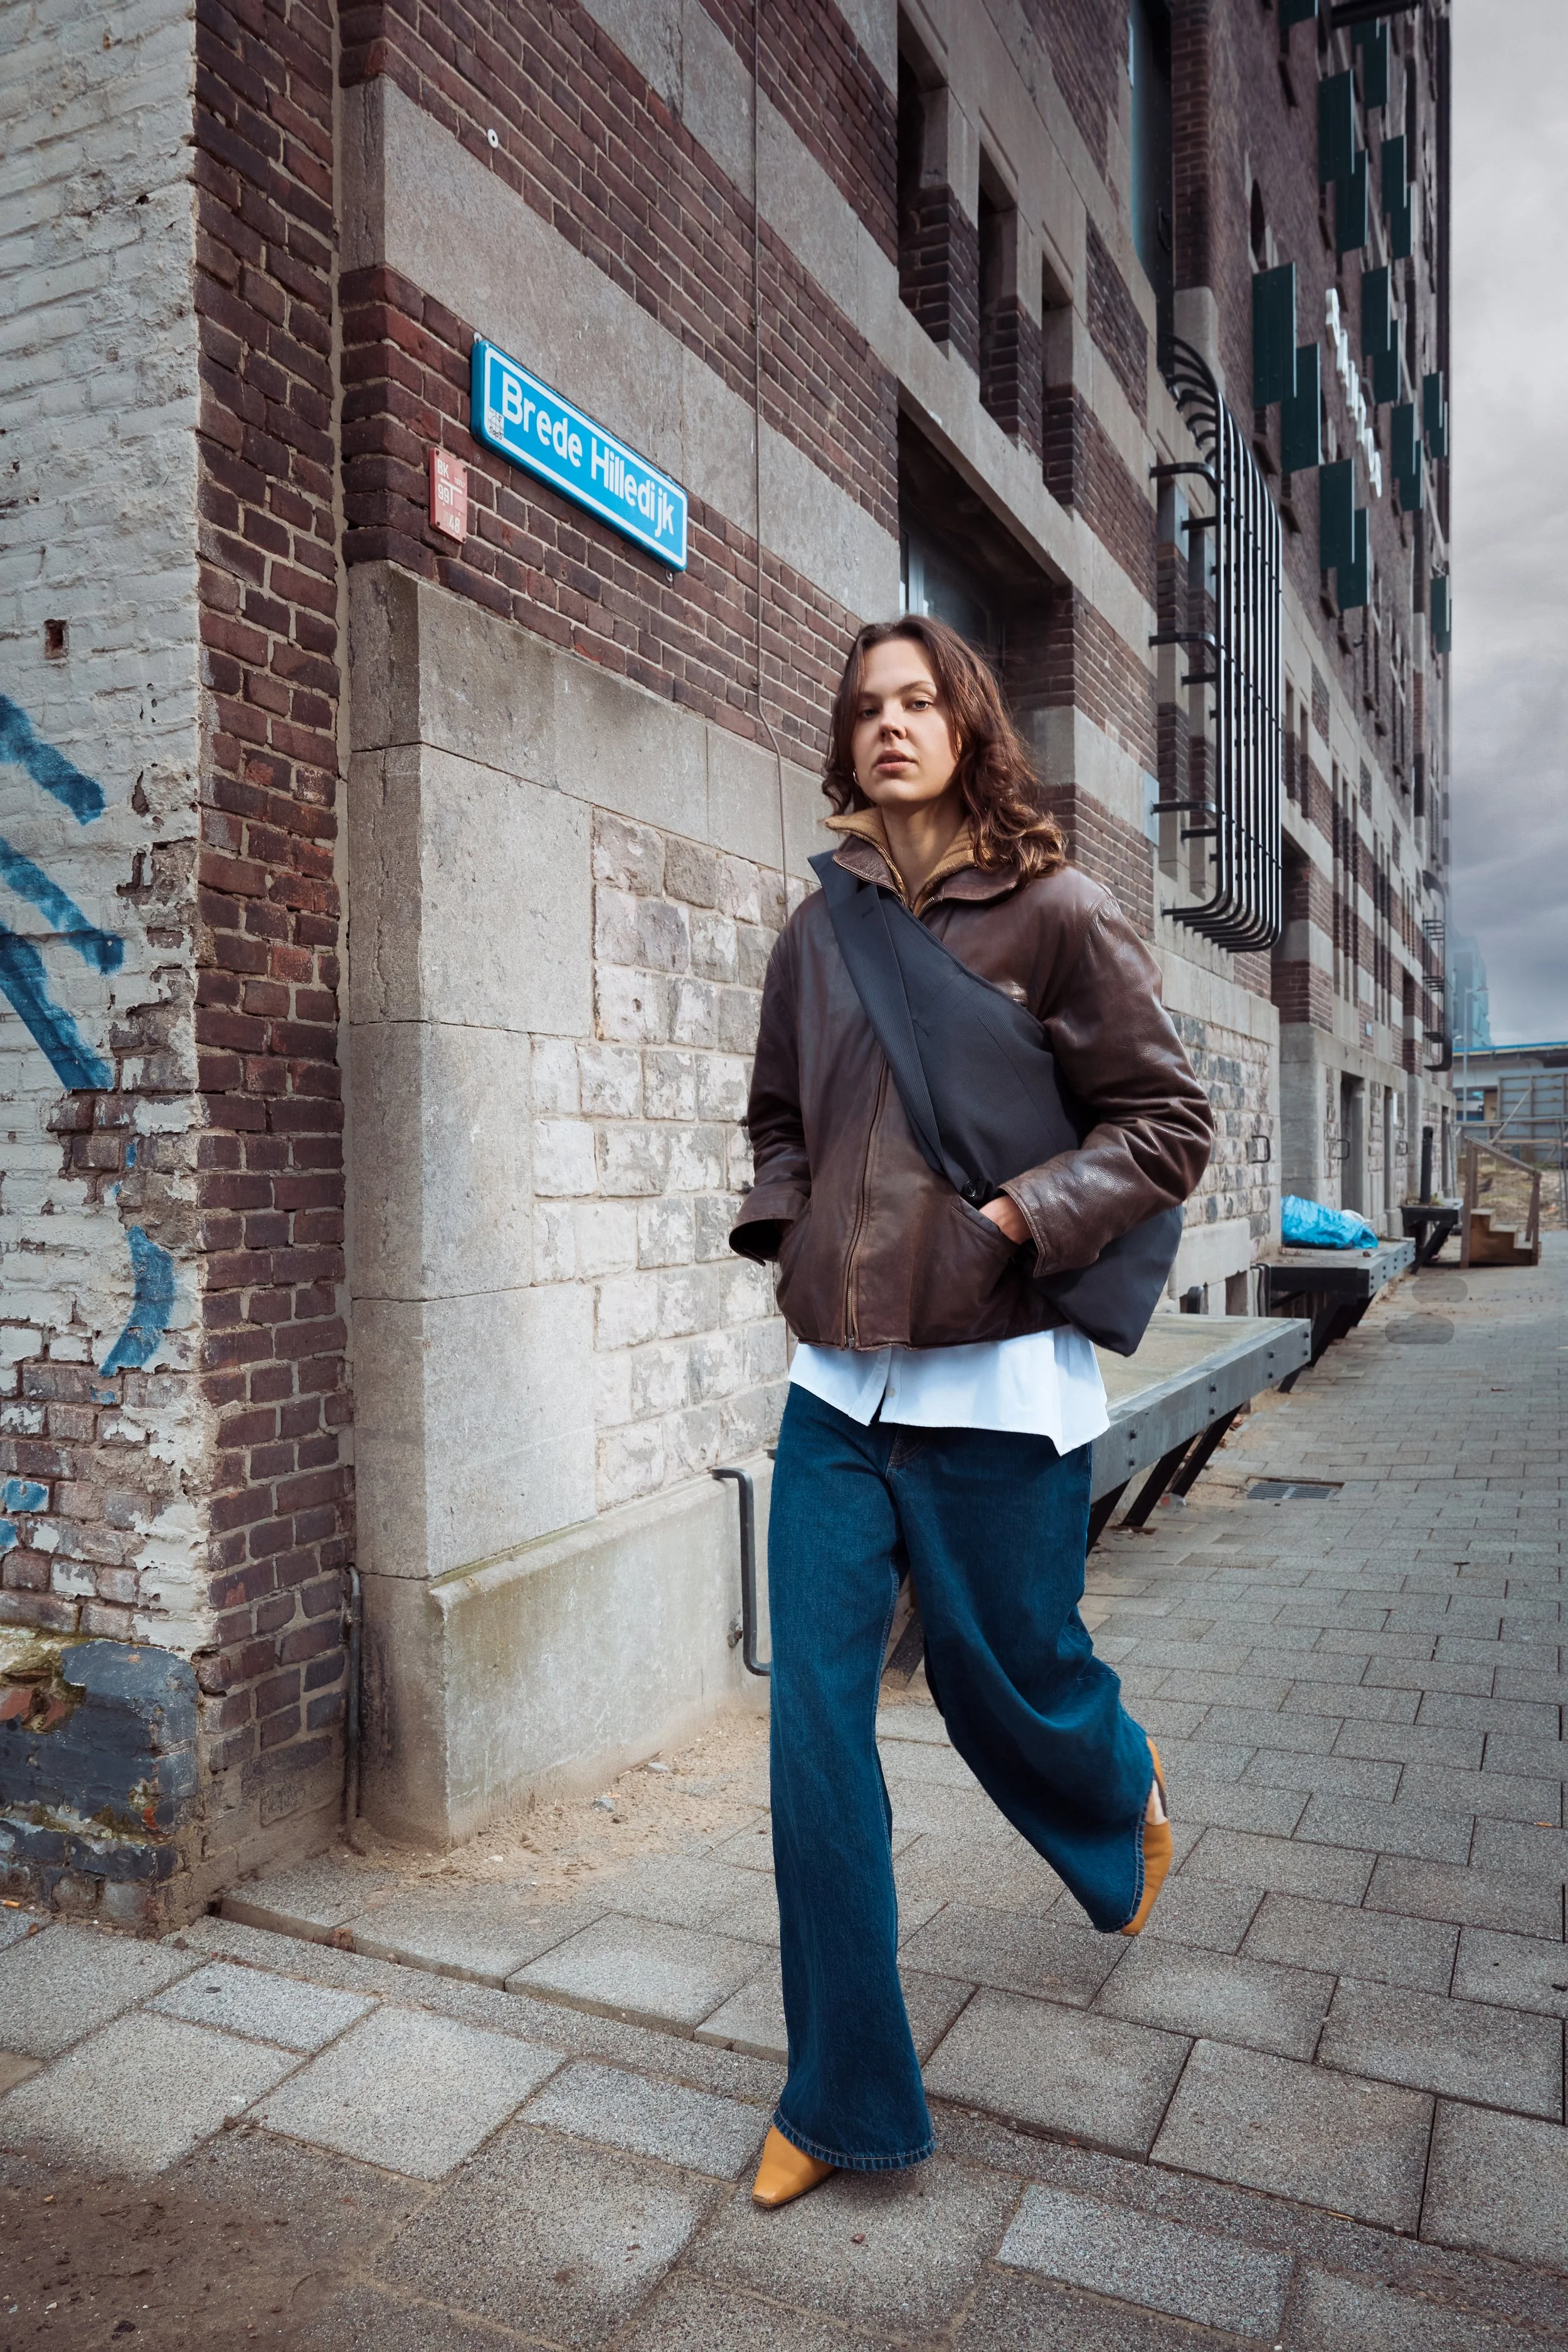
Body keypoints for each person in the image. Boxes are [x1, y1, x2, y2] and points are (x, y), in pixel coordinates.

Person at [729, 615, 1215, 2208]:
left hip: (996, 1393)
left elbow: (1163, 1122)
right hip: (833, 1401)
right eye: (865, 706)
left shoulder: (1057, 914)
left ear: (966, 725)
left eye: (916, 701)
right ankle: (842, 2098)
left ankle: (1116, 1787)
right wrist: (784, 1229)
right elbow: (777, 1121)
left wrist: (1011, 1224)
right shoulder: (819, 931)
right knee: (814, 1735)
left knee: (1011, 1686)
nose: (888, 727)